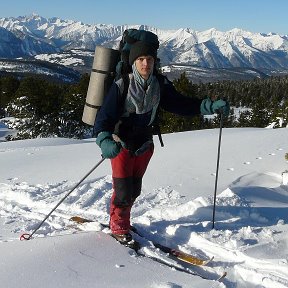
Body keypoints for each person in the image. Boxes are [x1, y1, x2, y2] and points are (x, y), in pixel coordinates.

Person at [94, 33, 229, 248]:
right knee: (123, 189)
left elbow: (181, 104)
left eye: (149, 59)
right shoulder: (122, 85)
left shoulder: (160, 84)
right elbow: (103, 118)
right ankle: (118, 224)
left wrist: (208, 106)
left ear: (155, 61)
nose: (145, 63)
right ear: (133, 62)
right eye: (140, 59)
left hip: (145, 143)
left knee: (135, 188)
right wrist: (104, 140)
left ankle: (123, 220)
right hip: (121, 143)